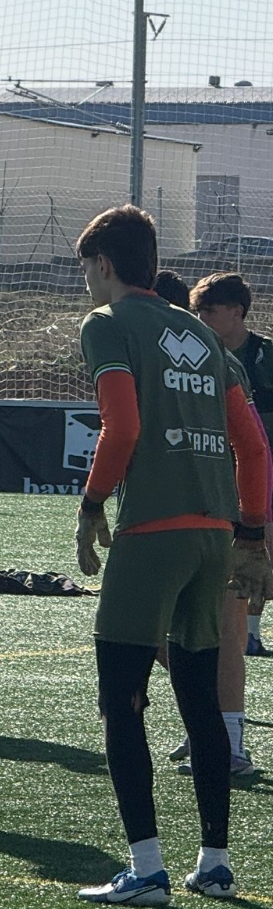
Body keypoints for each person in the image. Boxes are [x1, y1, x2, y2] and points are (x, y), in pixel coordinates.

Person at [71, 207, 269, 906]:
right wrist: (251, 531)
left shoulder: (107, 325)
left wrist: (92, 504)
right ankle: (214, 863)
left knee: (121, 701)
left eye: (86, 270)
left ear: (102, 265)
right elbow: (253, 447)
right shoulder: (201, 333)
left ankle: (147, 868)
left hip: (151, 532)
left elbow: (121, 428)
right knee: (199, 701)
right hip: (214, 535)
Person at [152, 270, 267, 778]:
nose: (200, 321)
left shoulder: (251, 360)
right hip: (184, 509)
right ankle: (207, 722)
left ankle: (229, 742)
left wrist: (256, 519)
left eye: (208, 312)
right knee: (159, 629)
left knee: (229, 621)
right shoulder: (177, 357)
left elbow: (253, 447)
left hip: (244, 505)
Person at [189, 271, 273, 657]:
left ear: (237, 312)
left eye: (209, 311)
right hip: (217, 475)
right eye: (197, 311)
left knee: (260, 551)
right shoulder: (196, 358)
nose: (200, 319)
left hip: (262, 471)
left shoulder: (264, 355)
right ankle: (232, 631)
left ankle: (251, 632)